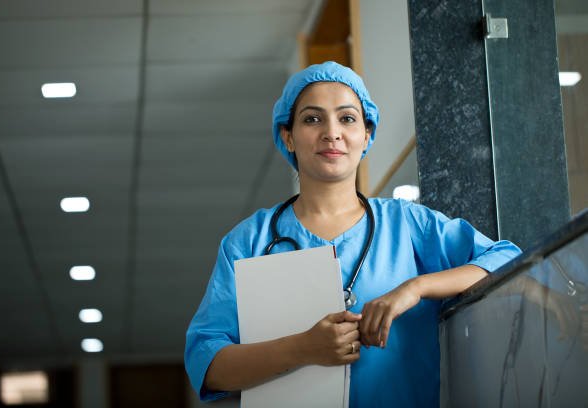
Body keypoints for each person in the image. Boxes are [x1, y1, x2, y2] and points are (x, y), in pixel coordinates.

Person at [184, 61, 522, 407]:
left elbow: (507, 257)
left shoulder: (407, 224)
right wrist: (303, 348)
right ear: (288, 136)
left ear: (367, 135)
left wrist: (415, 288)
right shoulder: (248, 242)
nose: (332, 132)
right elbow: (206, 364)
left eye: (347, 118)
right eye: (312, 119)